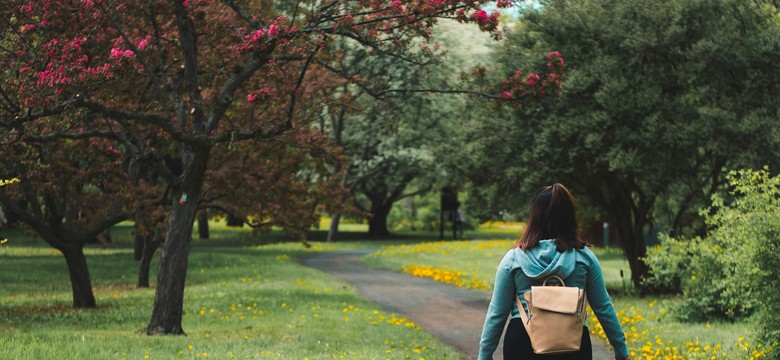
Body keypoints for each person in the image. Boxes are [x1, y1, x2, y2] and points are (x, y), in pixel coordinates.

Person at [478, 183, 630, 360]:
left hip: (522, 343)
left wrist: (485, 354)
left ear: (534, 217)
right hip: (573, 345)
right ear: (569, 217)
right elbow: (603, 307)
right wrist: (621, 350)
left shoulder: (513, 260)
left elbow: (497, 313)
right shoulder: (584, 258)